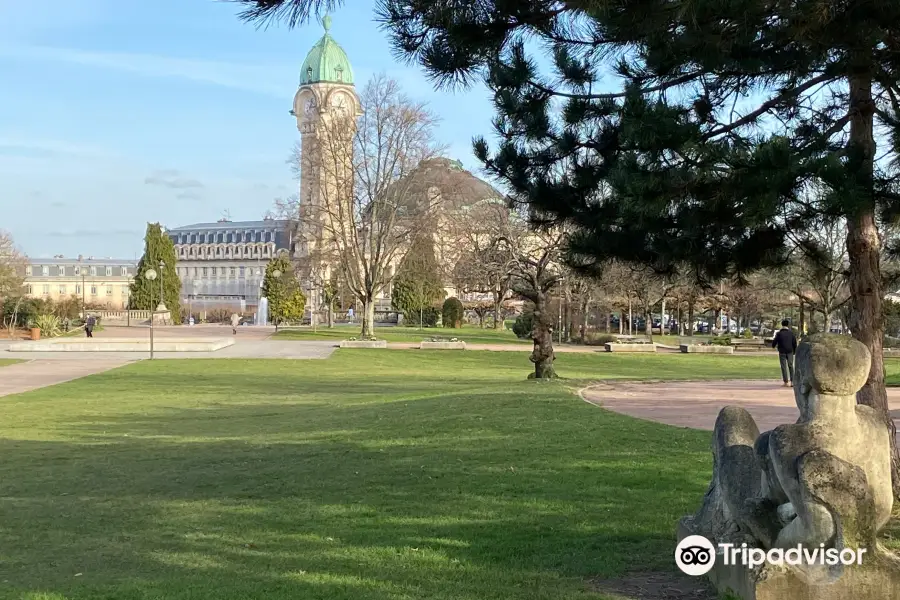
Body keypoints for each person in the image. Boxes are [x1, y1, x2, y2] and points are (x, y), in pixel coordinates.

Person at [772, 319, 798, 386]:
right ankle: (792, 381)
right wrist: (794, 351)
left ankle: (785, 382)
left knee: (783, 366)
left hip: (782, 351)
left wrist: (773, 346)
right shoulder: (791, 333)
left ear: (782, 325)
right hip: (790, 351)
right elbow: (794, 343)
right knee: (791, 366)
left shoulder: (779, 333)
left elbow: (775, 341)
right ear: (788, 325)